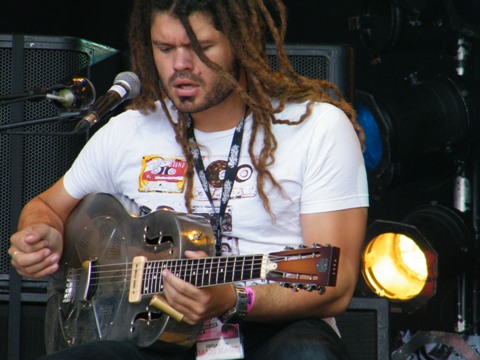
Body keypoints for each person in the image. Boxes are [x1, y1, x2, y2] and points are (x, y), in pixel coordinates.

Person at [9, 0, 368, 359]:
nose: (180, 64)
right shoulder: (127, 131)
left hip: (273, 329)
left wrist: (235, 298)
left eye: (201, 48)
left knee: (305, 353)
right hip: (151, 332)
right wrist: (41, 236)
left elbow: (336, 282)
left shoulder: (316, 127)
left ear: (242, 43)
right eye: (164, 49)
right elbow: (45, 208)